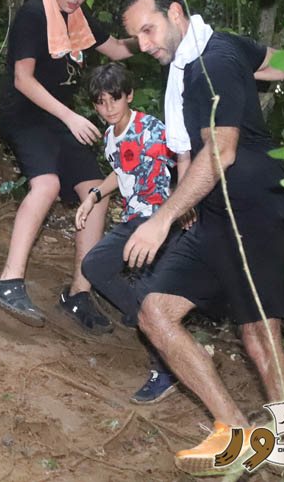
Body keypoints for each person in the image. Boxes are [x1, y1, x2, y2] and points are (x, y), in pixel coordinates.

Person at [120, 0, 284, 476]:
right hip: (218, 215)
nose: (146, 44)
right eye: (137, 37)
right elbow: (281, 61)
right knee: (155, 313)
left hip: (256, 210)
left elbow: (221, 150)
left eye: (150, 29)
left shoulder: (211, 63)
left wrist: (162, 219)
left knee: (262, 341)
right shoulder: (204, 53)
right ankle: (236, 432)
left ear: (176, 12)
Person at [0, 0, 140, 333]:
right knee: (48, 184)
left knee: (95, 191)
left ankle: (78, 294)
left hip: (60, 123)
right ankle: (8, 281)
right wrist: (71, 116)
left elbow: (118, 48)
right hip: (26, 116)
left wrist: (154, 37)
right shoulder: (33, 16)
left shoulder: (80, 20)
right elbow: (23, 79)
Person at [76, 63, 180, 403]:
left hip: (161, 222)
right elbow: (121, 174)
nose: (108, 108)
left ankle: (164, 369)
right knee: (94, 266)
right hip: (134, 220)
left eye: (114, 99)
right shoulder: (110, 137)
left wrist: (186, 209)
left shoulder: (151, 129)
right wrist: (92, 197)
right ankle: (141, 315)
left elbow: (184, 163)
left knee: (152, 292)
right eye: (101, 102)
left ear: (129, 96)